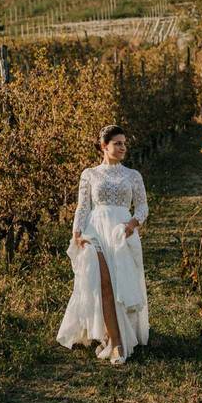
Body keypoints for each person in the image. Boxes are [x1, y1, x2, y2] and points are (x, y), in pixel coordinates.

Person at [56, 125, 149, 364]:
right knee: (104, 282)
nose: (122, 148)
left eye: (124, 143)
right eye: (117, 143)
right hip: (95, 230)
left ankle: (115, 331)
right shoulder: (89, 174)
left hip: (121, 232)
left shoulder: (133, 175)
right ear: (103, 146)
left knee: (121, 286)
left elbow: (142, 206)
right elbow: (83, 206)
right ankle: (117, 343)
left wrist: (132, 224)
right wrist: (77, 232)